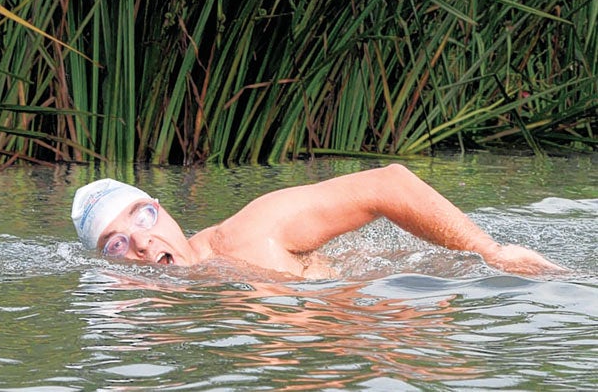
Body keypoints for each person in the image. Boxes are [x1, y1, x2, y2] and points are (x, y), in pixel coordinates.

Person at [71, 164, 565, 279]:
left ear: (164, 208)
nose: (140, 242)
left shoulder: (251, 232)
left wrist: (491, 253)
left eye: (143, 216)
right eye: (115, 244)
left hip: (434, 311)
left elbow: (389, 183)